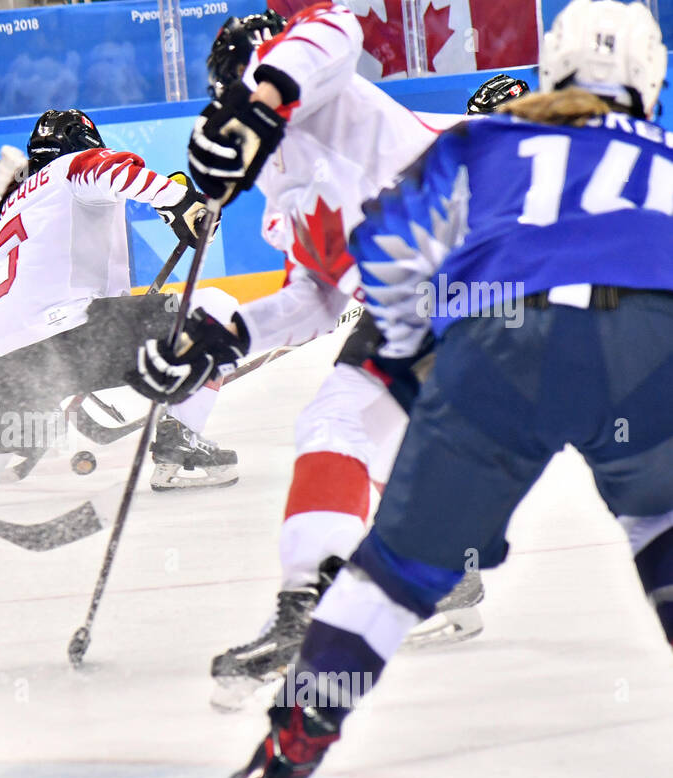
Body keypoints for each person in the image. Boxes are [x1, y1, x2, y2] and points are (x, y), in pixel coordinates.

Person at [209, 0, 673, 778]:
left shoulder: (483, 142)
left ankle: (292, 745)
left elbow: (393, 256)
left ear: (552, 71)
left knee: (393, 573)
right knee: (660, 525)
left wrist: (414, 376)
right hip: (651, 341)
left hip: (502, 339)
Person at [130, 8, 524, 705]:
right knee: (334, 425)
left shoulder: (323, 86)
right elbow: (311, 299)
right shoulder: (281, 181)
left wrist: (266, 98)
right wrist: (216, 345)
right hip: (429, 295)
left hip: (482, 259)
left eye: (256, 84)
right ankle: (320, 601)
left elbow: (334, 28)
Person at [0, 108, 228, 502]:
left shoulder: (8, 209)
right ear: (84, 142)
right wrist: (181, 200)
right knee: (216, 308)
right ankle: (181, 453)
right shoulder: (72, 166)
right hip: (80, 335)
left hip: (11, 360)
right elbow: (112, 170)